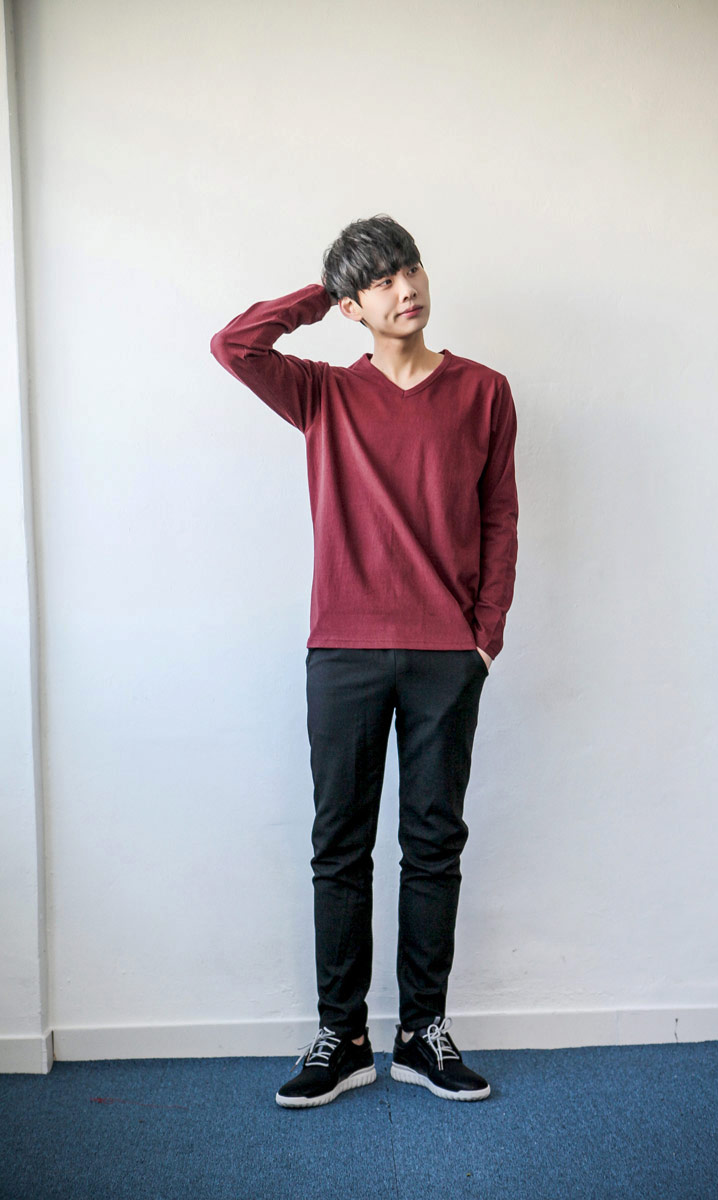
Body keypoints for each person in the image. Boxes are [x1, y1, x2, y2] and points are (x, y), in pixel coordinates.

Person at [210, 214, 518, 1108]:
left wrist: (485, 635)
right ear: (352, 305)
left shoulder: (484, 391)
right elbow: (234, 345)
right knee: (339, 846)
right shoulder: (322, 393)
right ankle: (342, 1038)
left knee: (433, 843)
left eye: (409, 268)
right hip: (341, 648)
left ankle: (422, 1034)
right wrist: (327, 288)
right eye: (381, 281)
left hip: (445, 654)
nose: (405, 288)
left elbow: (499, 513)